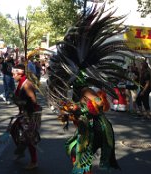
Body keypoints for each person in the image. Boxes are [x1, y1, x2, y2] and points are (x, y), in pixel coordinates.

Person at [46, 4, 141, 174]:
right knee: (77, 152)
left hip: (93, 128)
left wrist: (79, 109)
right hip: (89, 127)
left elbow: (100, 107)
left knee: (80, 155)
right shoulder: (79, 89)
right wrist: (69, 112)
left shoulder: (84, 91)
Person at [10, 64, 41, 170]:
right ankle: (21, 150)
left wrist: (22, 103)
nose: (12, 76)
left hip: (30, 114)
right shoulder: (21, 82)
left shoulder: (26, 85)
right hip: (24, 113)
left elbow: (33, 100)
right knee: (13, 130)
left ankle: (34, 161)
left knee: (29, 138)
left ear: (20, 74)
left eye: (14, 74)